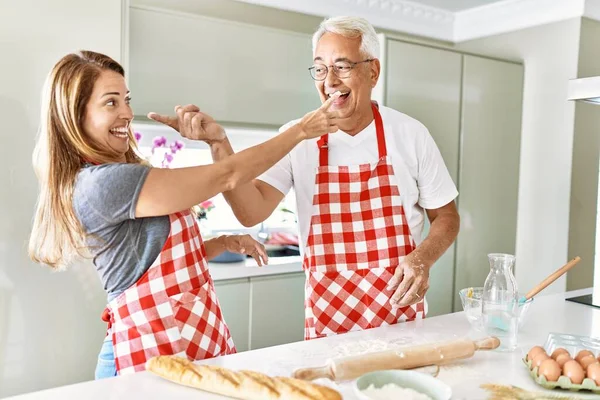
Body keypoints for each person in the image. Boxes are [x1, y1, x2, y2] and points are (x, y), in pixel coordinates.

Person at [28, 50, 340, 377]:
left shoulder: (117, 174)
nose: (127, 113)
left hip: (189, 341)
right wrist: (301, 131)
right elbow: (227, 176)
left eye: (126, 99)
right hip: (144, 358)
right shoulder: (105, 183)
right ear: (75, 116)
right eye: (111, 103)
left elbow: (157, 267)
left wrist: (221, 242)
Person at [204, 17, 461, 340]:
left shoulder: (410, 134)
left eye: (342, 67)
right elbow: (250, 211)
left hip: (401, 321)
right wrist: (218, 145)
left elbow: (447, 216)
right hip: (327, 327)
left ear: (372, 71)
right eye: (321, 69)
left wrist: (422, 258)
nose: (329, 81)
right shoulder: (296, 138)